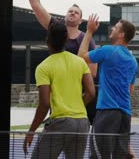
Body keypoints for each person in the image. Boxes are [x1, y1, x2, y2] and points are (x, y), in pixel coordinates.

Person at [16, 0, 98, 123]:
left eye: (76, 12)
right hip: (58, 98)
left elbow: (93, 73)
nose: (72, 13)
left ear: (81, 19)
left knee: (77, 142)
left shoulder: (86, 39)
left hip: (78, 98)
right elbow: (36, 5)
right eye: (70, 11)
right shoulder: (56, 29)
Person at [23, 20, 96, 158]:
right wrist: (76, 106)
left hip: (60, 123)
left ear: (47, 41)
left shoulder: (43, 67)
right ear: (67, 39)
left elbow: (44, 105)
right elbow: (91, 93)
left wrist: (31, 131)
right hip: (82, 122)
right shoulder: (80, 62)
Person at [78, 14, 138, 159]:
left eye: (116, 27)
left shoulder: (108, 50)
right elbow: (130, 90)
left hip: (107, 111)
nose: (112, 28)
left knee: (98, 155)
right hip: (125, 114)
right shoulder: (133, 61)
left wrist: (90, 32)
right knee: (121, 156)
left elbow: (81, 56)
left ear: (121, 34)